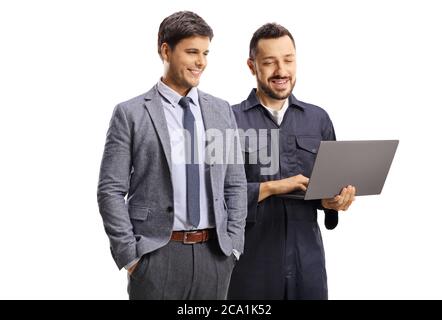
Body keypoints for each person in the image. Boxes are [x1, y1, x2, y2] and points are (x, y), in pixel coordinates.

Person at [97, 11, 247, 300]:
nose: (201, 62)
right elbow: (110, 190)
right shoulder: (131, 113)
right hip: (156, 256)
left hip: (215, 256)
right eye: (192, 52)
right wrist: (131, 257)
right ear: (165, 50)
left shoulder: (220, 110)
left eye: (205, 53)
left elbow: (235, 183)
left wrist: (234, 246)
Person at [228, 23, 356, 300]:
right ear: (252, 66)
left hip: (306, 264)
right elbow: (215, 196)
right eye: (270, 62)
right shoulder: (228, 121)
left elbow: (328, 191)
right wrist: (274, 187)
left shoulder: (318, 119)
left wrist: (333, 202)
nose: (281, 71)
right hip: (250, 265)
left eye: (288, 60)